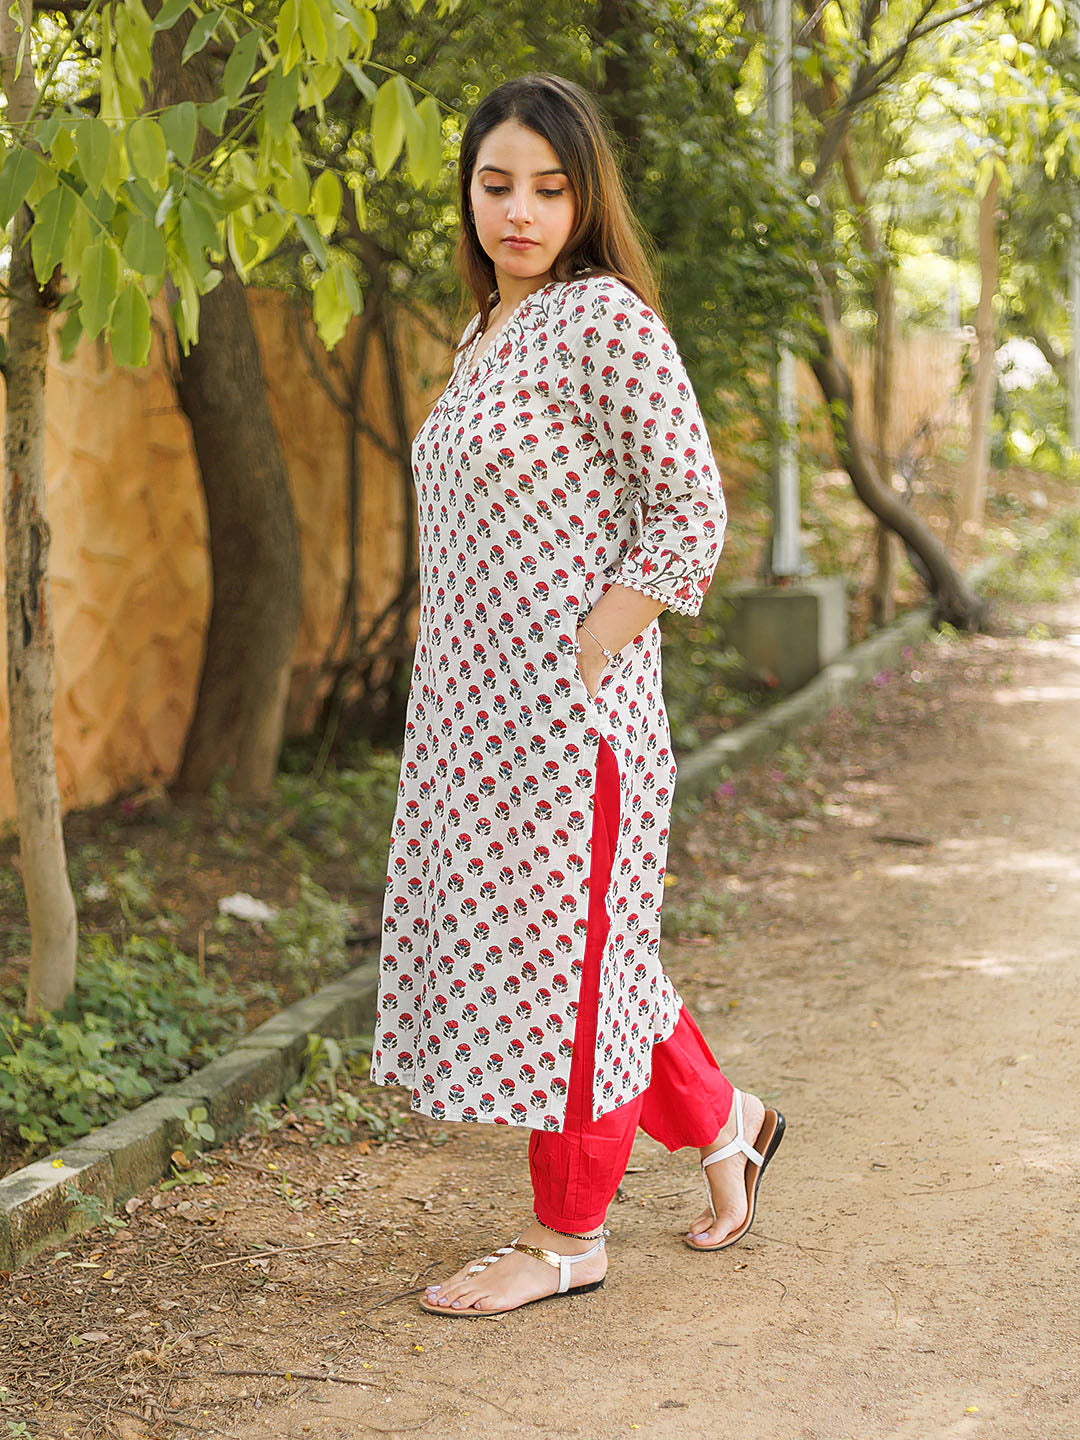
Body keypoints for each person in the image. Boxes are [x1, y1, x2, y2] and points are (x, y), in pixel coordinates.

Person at [370, 72, 785, 1318]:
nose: (520, 210)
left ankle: (568, 1240)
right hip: (470, 727)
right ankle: (729, 1123)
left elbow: (691, 513)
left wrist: (585, 654)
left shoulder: (603, 321)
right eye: (496, 184)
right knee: (590, 959)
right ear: (468, 192)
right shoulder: (483, 330)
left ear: (584, 197)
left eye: (549, 189)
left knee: (575, 970)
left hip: (568, 729)